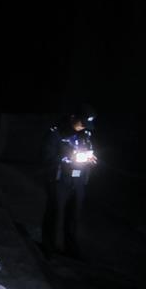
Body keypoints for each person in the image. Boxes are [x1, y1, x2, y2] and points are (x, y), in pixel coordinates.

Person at [40, 104, 97, 259]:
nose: (84, 127)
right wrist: (66, 159)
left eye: (87, 125)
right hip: (60, 179)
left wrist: (89, 158)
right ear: (73, 118)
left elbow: (87, 151)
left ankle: (71, 248)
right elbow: (46, 157)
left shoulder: (86, 134)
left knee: (74, 214)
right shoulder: (56, 132)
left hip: (79, 180)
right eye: (82, 123)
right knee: (55, 212)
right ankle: (48, 247)